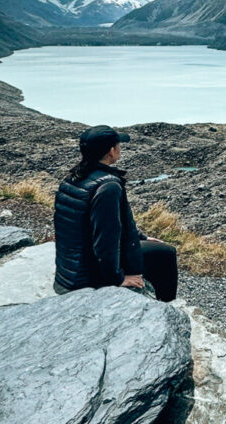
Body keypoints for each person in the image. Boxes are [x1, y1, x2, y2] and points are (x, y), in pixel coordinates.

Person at [53, 124, 178, 302]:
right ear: (111, 151)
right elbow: (105, 241)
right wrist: (117, 279)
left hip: (68, 272)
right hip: (86, 279)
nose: (120, 149)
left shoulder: (74, 177)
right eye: (118, 145)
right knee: (166, 254)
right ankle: (164, 310)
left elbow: (104, 223)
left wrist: (140, 236)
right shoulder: (108, 187)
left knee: (151, 248)